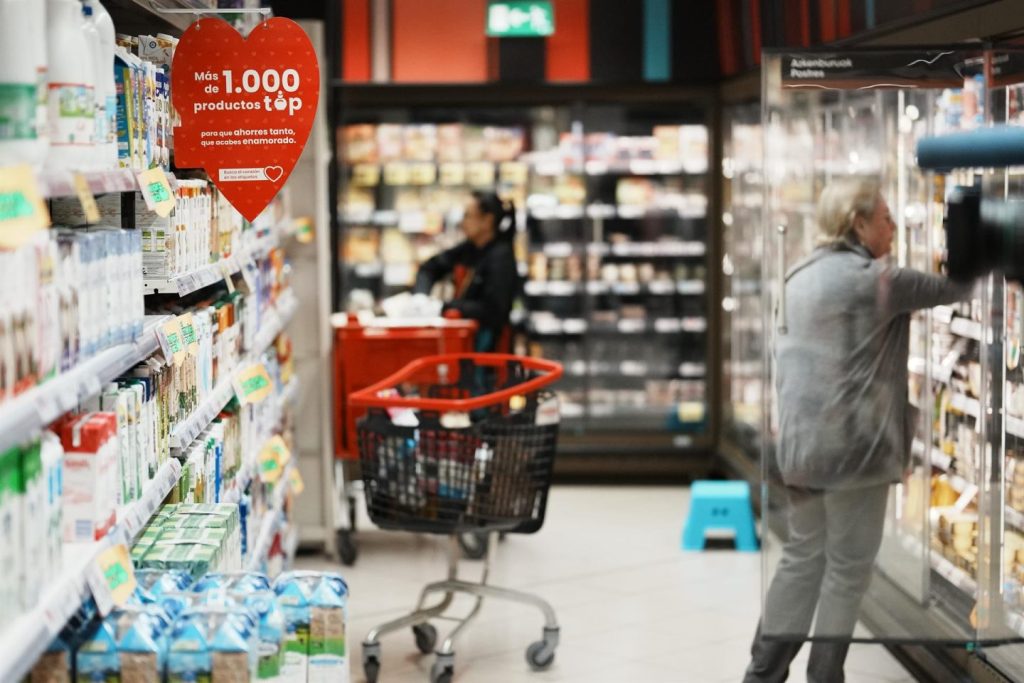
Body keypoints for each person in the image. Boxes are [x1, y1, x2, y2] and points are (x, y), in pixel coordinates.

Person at [743, 177, 974, 683]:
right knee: (847, 572)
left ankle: (762, 673)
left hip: (801, 450)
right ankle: (825, 676)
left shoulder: (798, 274)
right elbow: (959, 285)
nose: (893, 226)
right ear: (858, 222)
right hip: (856, 453)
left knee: (803, 559)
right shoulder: (880, 280)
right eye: (886, 217)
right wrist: (973, 225)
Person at [414, 190, 520, 352]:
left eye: (467, 216)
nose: (462, 222)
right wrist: (421, 297)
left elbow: (493, 310)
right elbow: (430, 268)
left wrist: (443, 306)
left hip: (488, 351)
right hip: (463, 342)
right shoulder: (470, 248)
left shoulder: (501, 257)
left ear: (487, 221)